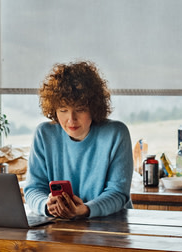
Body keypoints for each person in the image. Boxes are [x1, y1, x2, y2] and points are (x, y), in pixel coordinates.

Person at [23, 61, 134, 219]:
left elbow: (118, 193)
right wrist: (46, 206)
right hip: (59, 227)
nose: (71, 119)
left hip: (111, 227)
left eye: (80, 110)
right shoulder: (44, 134)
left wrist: (85, 210)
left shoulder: (116, 134)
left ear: (94, 108)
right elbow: (33, 189)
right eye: (63, 110)